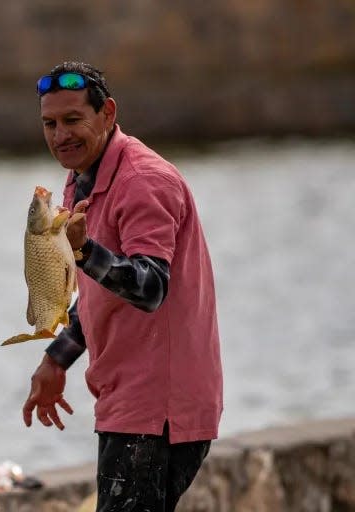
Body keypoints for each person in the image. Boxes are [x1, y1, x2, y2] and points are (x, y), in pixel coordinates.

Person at [21, 61, 223, 511]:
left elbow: (151, 287)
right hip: (125, 399)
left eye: (73, 120)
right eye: (49, 124)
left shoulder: (144, 180)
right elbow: (100, 293)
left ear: (107, 114)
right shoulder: (81, 178)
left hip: (160, 409)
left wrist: (85, 251)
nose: (60, 136)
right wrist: (58, 358)